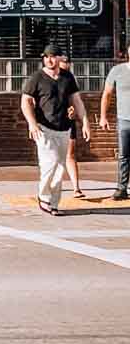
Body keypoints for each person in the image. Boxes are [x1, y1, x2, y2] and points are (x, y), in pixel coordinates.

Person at [21, 43, 90, 215]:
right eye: (46, 57)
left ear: (59, 58)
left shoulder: (67, 77)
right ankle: (44, 197)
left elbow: (77, 101)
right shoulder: (36, 77)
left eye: (52, 56)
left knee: (60, 165)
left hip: (64, 128)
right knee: (50, 162)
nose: (49, 60)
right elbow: (25, 102)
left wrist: (85, 121)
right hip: (44, 128)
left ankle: (53, 202)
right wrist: (32, 122)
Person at [99, 48, 130, 201]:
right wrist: (103, 116)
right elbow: (107, 94)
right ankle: (121, 188)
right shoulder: (117, 70)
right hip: (124, 119)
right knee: (124, 155)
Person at [57, 54, 87, 201]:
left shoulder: (69, 78)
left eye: (68, 61)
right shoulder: (43, 76)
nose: (66, 64)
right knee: (52, 156)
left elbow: (74, 98)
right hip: (50, 121)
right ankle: (51, 186)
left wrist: (74, 111)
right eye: (63, 61)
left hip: (67, 120)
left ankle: (76, 187)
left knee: (70, 154)